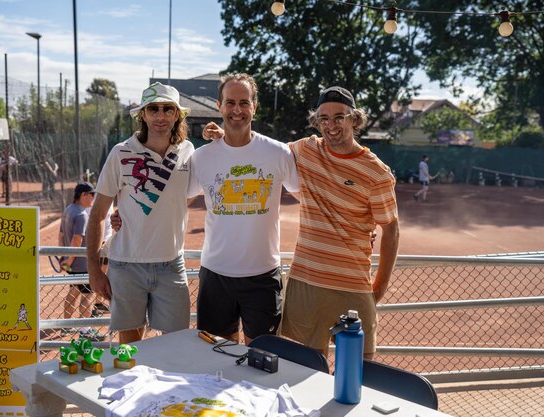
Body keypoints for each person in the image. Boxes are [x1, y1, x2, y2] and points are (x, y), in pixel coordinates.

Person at [204, 86, 399, 360]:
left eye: (339, 117)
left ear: (355, 119)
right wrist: (226, 135)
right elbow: (258, 149)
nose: (331, 126)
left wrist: (378, 289)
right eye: (324, 119)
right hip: (306, 282)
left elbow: (391, 231)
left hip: (354, 284)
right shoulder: (306, 150)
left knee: (356, 373)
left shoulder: (376, 172)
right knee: (308, 371)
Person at [188, 73, 300, 345]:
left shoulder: (278, 153)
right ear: (219, 105)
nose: (237, 110)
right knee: (216, 353)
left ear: (255, 107)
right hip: (216, 276)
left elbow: (307, 198)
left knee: (261, 357)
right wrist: (127, 220)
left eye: (244, 102)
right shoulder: (202, 157)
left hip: (263, 276)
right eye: (230, 102)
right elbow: (177, 202)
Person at [86, 82, 194, 344]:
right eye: (153, 108)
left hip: (171, 264)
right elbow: (99, 212)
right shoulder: (120, 153)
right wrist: (94, 270)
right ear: (142, 114)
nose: (160, 116)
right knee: (130, 346)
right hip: (126, 264)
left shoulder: (189, 152)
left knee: (177, 343)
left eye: (168, 109)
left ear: (177, 115)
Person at [60, 182, 106, 341]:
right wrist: (69, 260)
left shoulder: (68, 210)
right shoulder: (81, 215)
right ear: (83, 195)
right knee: (88, 295)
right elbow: (77, 240)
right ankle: (85, 331)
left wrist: (63, 258)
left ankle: (66, 324)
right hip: (81, 264)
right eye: (91, 194)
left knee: (73, 291)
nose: (93, 198)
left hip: (71, 263)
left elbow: (61, 235)